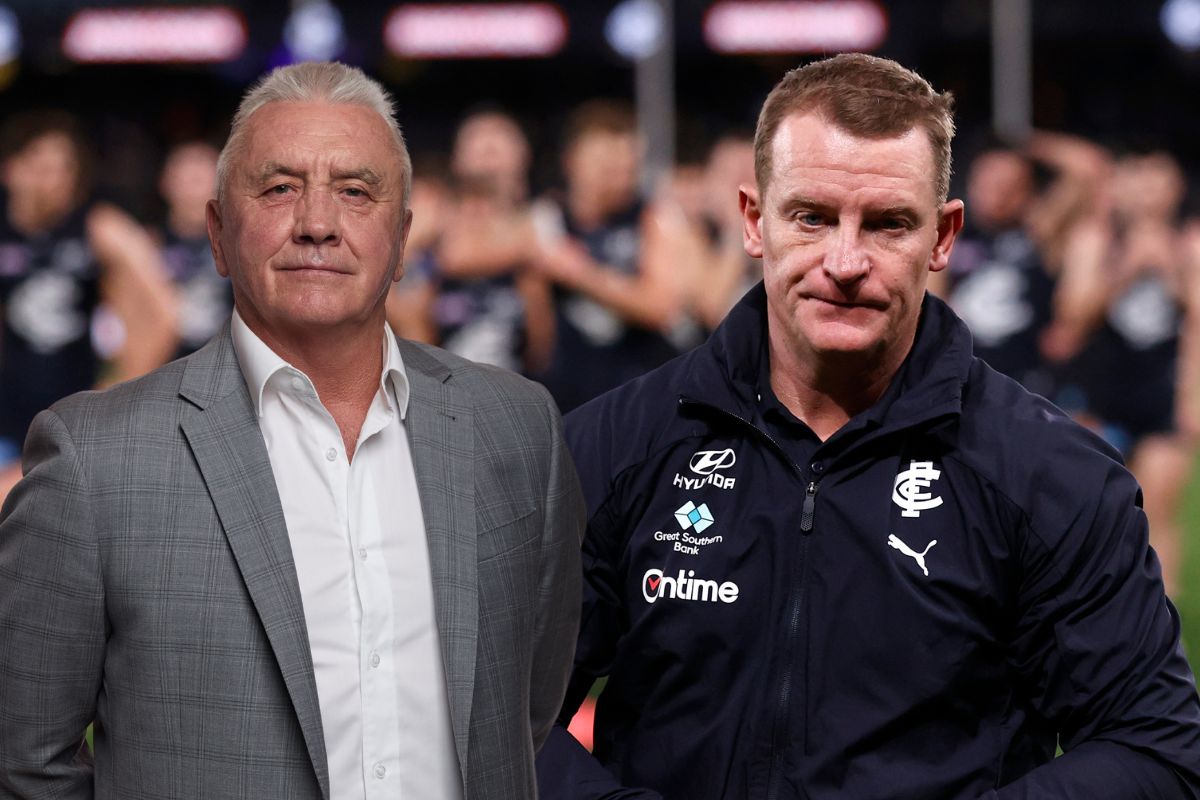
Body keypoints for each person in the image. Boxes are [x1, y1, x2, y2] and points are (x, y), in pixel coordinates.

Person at [535, 53, 1200, 799]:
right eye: (812, 218)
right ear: (754, 221)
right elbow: (497, 711)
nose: (845, 262)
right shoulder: (616, 447)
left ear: (942, 237)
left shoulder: (1051, 476)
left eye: (888, 224)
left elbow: (1155, 749)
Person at [0, 61, 584, 800]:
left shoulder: (518, 429)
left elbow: (520, 716)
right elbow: (27, 762)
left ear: (403, 239)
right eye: (279, 188)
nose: (317, 223)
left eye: (355, 192)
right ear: (218, 233)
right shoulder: (93, 459)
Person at [0, 111, 177, 500]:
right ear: (12, 169)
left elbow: (161, 314)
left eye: (65, 169)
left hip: (71, 415)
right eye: (43, 168)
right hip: (8, 418)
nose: (55, 180)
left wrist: (115, 396)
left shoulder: (97, 226)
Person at [531, 100, 692, 412]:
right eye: (607, 166)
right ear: (572, 162)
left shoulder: (653, 217)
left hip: (638, 394)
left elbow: (661, 306)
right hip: (567, 398)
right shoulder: (545, 219)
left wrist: (581, 274)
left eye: (628, 168)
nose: (620, 179)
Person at [156, 140, 234, 358]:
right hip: (162, 363)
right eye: (186, 178)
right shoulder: (144, 245)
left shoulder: (239, 246)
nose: (193, 190)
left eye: (201, 178)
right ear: (165, 182)